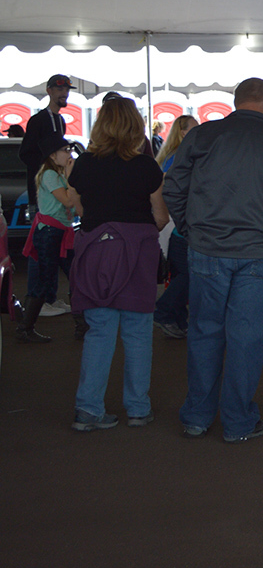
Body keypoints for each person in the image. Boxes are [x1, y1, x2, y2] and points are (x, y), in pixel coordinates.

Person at [163, 78, 263, 443]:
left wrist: (192, 229)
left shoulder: (202, 136)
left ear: (235, 102)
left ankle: (196, 417)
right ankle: (237, 421)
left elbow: (173, 186)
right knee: (248, 338)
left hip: (208, 250)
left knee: (204, 332)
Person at [65, 97, 170, 432]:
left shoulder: (84, 164)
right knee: (138, 333)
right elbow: (161, 216)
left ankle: (88, 410)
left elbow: (77, 206)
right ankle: (138, 409)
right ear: (134, 126)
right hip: (138, 253)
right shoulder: (145, 167)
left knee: (100, 331)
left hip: (95, 251)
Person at [16, 134, 77, 343]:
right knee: (47, 279)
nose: (69, 154)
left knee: (74, 275)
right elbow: (69, 202)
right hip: (51, 233)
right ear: (53, 155)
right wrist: (70, 176)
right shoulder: (51, 175)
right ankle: (26, 327)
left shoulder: (55, 173)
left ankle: (82, 326)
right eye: (65, 150)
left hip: (57, 231)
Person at [153, 115, 199, 339]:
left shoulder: (172, 156)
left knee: (182, 273)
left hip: (174, 223)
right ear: (182, 132)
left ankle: (178, 320)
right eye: (194, 129)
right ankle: (163, 311)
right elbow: (170, 191)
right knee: (189, 274)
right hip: (175, 222)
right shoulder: (179, 158)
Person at [20, 74, 72, 219]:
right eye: (60, 89)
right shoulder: (38, 121)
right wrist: (47, 170)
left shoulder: (60, 120)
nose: (64, 93)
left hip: (58, 195)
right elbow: (26, 153)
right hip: (41, 198)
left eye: (67, 90)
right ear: (49, 91)